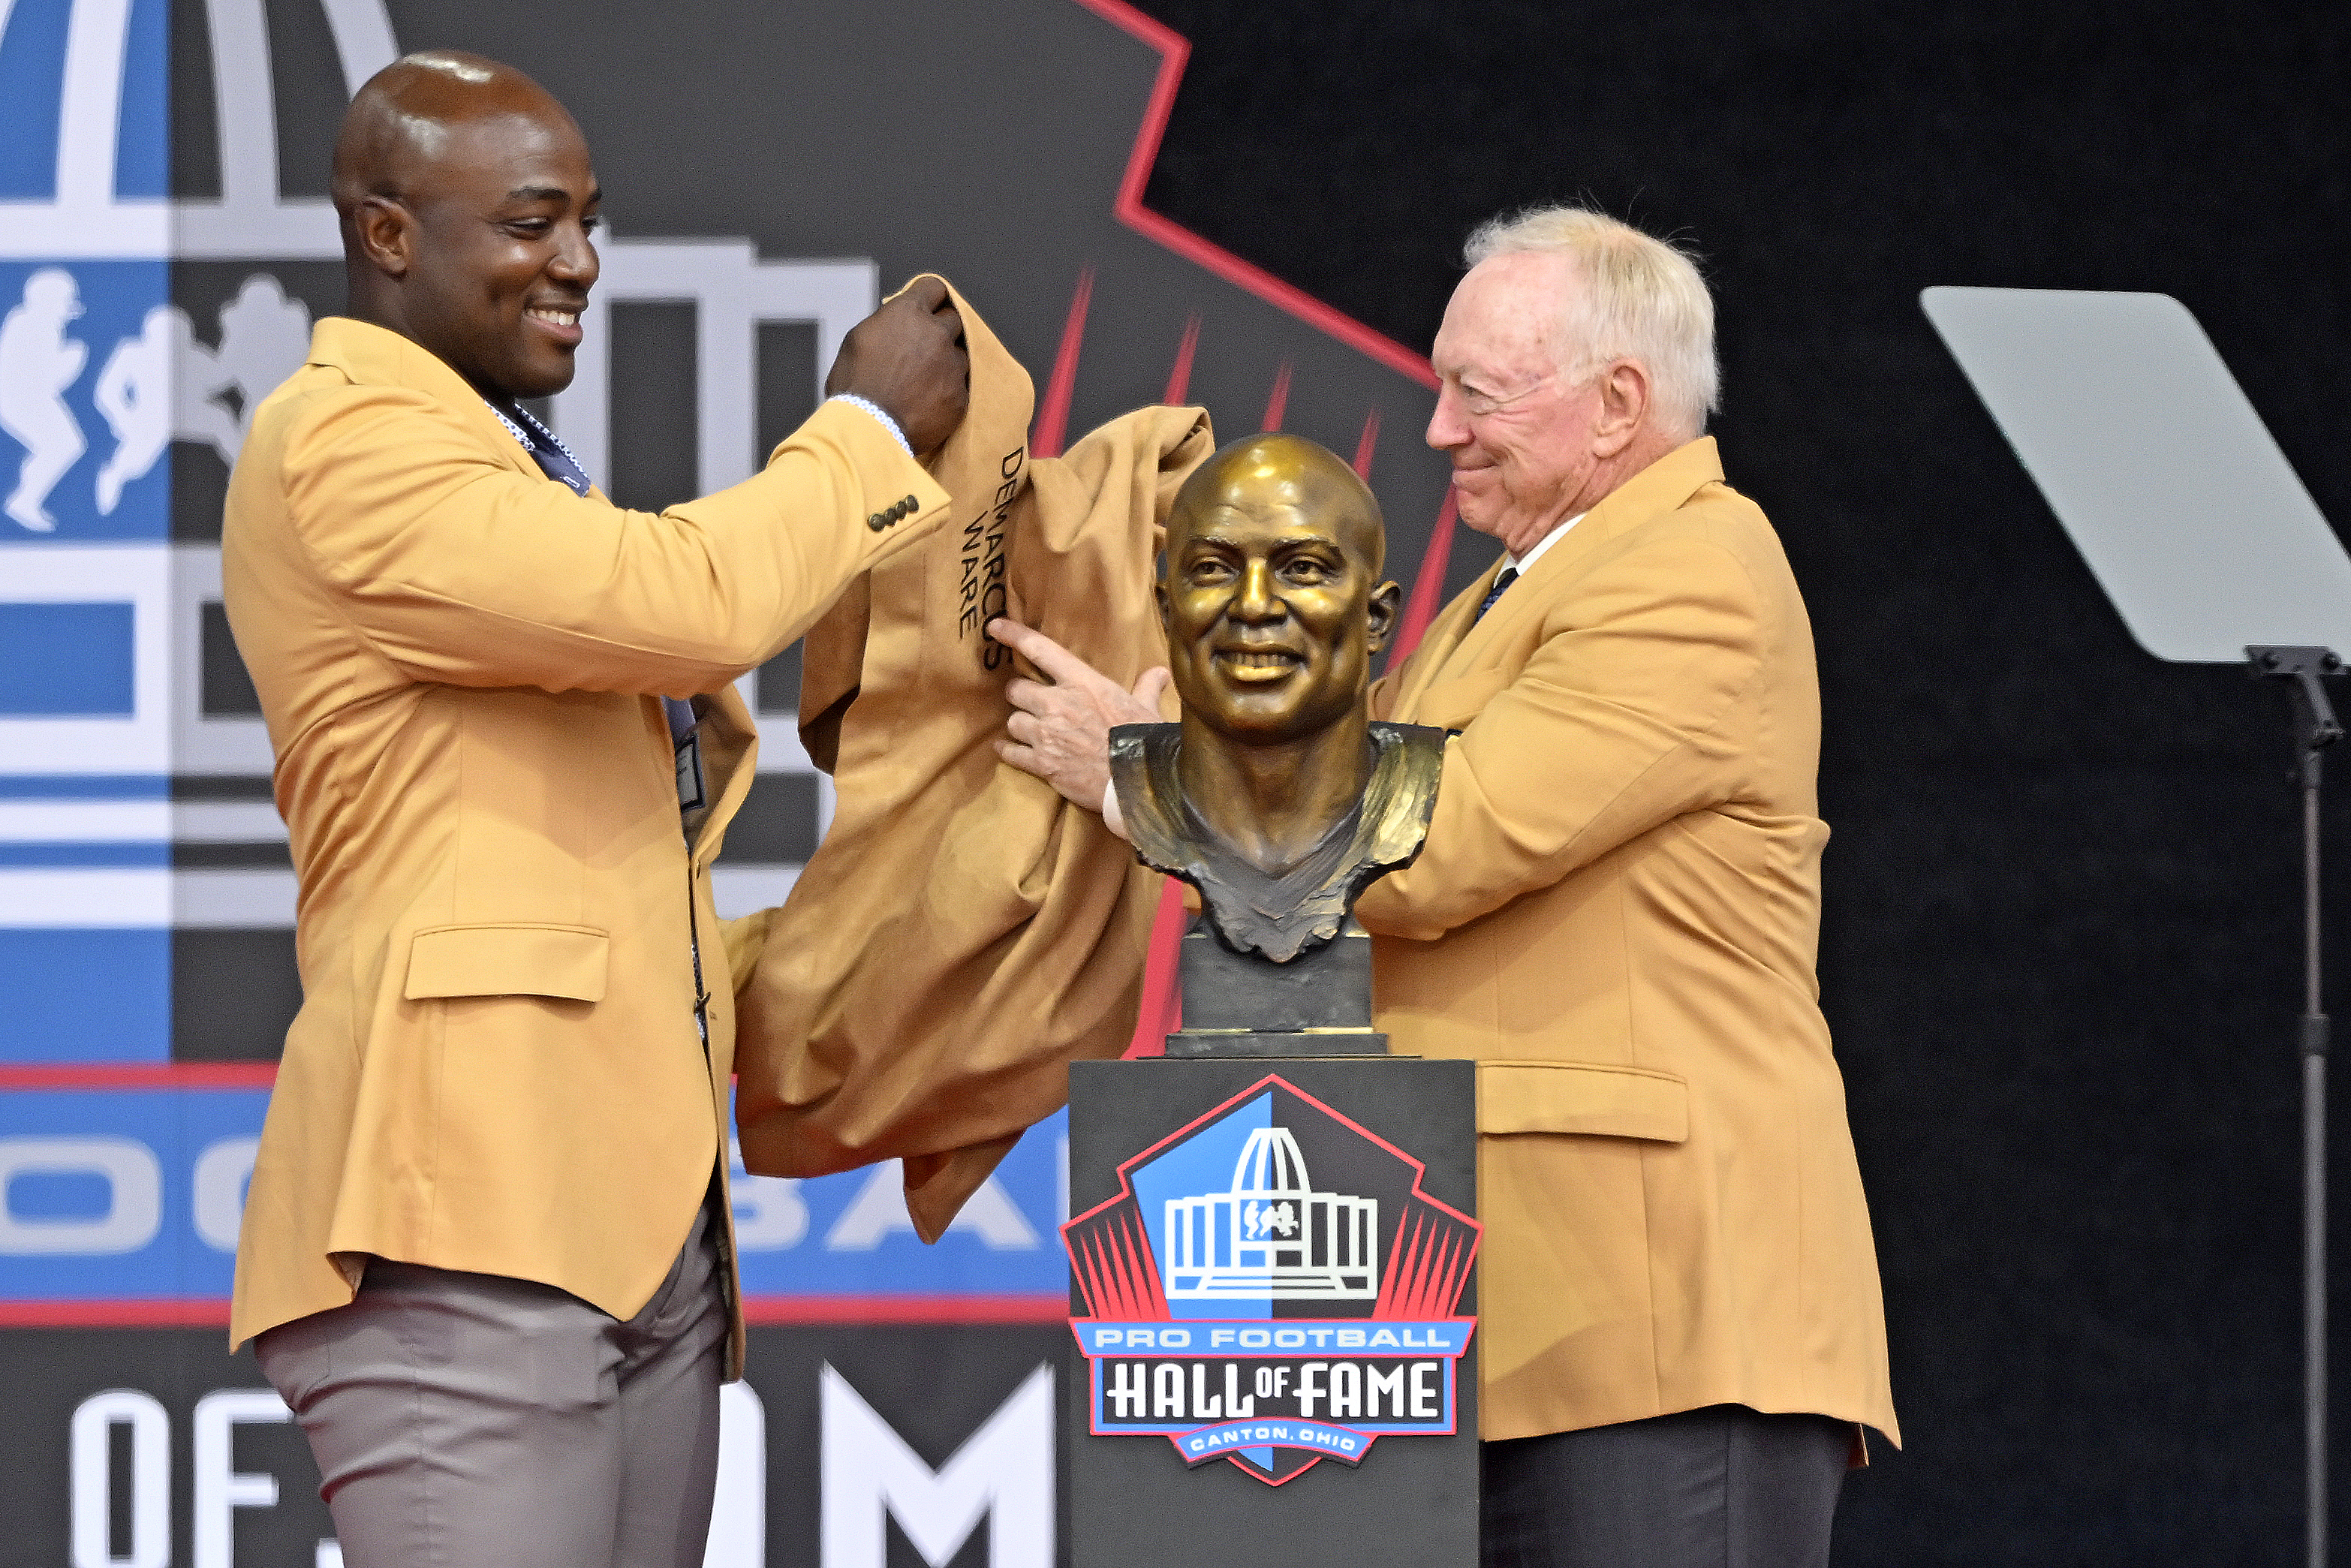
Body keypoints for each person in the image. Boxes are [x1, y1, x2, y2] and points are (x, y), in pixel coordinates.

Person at [991, 203, 1896, 1567]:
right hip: (1497, 1307)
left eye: (1475, 392)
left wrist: (1139, 775)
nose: (1437, 430)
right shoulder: (1511, 594)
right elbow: (1336, 801)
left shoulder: (1690, 569)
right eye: (1439, 388)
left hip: (1651, 1319)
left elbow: (1429, 842)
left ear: (1616, 403)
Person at [222, 50, 967, 1568]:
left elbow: (601, 863)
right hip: (463, 1226)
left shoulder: (504, 465)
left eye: (588, 223)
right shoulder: (344, 441)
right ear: (388, 236)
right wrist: (864, 441)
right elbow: (685, 603)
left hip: (638, 1231)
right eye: (529, 224)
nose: (578, 263)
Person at [1107, 431, 1441, 966]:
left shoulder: (1421, 795)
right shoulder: (1137, 783)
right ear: (1167, 614)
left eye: (1303, 568)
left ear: (1375, 619)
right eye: (1214, 568)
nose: (1254, 605)